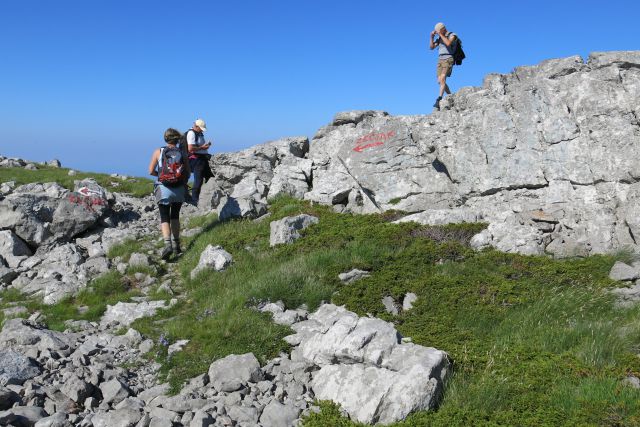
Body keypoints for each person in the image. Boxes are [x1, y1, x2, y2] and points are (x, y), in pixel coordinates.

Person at [148, 128, 190, 259]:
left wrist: (160, 176)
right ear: (177, 139)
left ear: (165, 138)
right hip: (178, 189)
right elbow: (187, 173)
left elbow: (150, 171)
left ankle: (167, 244)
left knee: (164, 216)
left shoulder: (159, 152)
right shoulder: (182, 153)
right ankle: (177, 245)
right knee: (175, 216)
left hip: (164, 188)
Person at [429, 22, 458, 110]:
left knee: (442, 79)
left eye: (438, 31)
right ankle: (450, 95)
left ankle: (439, 99)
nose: (437, 32)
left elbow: (448, 43)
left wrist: (441, 34)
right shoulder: (439, 38)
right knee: (440, 81)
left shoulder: (452, 35)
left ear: (442, 29)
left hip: (448, 59)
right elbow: (431, 47)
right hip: (440, 60)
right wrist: (432, 37)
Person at [185, 118, 214, 206]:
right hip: (196, 159)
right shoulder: (191, 133)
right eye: (201, 128)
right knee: (199, 179)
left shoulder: (199, 133)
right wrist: (202, 148)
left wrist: (205, 146)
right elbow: (190, 148)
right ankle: (195, 200)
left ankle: (207, 195)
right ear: (196, 126)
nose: (202, 130)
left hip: (202, 158)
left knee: (209, 176)